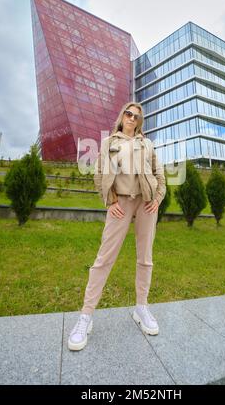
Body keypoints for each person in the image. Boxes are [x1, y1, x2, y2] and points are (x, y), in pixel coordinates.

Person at [68, 102, 166, 351]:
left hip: (145, 204)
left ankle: (141, 308)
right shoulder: (110, 141)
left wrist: (157, 198)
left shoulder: (147, 143)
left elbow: (160, 173)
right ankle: (85, 317)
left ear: (140, 121)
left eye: (137, 116)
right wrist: (109, 201)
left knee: (145, 258)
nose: (132, 118)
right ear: (122, 116)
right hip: (120, 203)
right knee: (104, 259)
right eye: (128, 113)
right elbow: (99, 173)